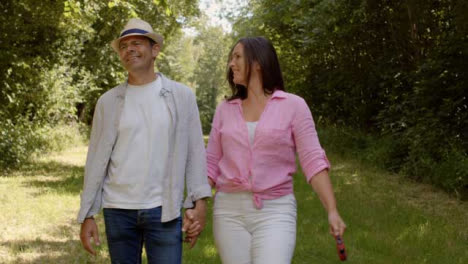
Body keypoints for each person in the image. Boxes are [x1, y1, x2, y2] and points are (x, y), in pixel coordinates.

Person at [77, 18, 211, 264]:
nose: (129, 49)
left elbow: (195, 153)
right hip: (117, 210)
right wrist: (87, 214)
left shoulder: (181, 96)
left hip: (164, 209)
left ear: (155, 50)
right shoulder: (107, 102)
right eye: (124, 46)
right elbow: (95, 160)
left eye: (137, 43)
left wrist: (198, 202)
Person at [206, 37, 346, 264]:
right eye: (231, 58)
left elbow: (313, 160)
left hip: (275, 210)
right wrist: (198, 204)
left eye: (237, 57)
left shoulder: (293, 105)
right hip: (228, 212)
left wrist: (332, 209)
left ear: (259, 62)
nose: (231, 63)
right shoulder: (225, 109)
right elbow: (211, 162)